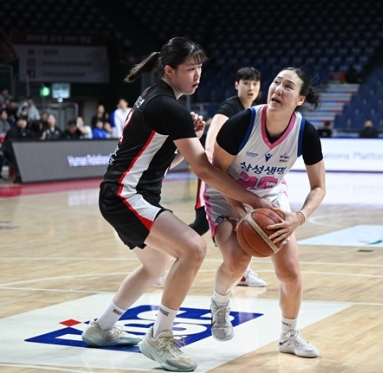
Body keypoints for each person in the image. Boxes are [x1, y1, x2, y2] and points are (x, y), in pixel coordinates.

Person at [81, 37, 272, 372]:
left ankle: (102, 327)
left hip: (121, 193)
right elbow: (204, 169)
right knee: (194, 249)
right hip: (126, 195)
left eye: (199, 67)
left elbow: (159, 162)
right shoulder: (168, 107)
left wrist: (187, 139)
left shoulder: (156, 98)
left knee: (154, 267)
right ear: (169, 70)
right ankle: (160, 336)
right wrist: (253, 199)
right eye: (189, 68)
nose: (197, 75)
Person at [205, 67, 326, 358]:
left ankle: (289, 336)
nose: (278, 89)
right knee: (237, 261)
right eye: (276, 83)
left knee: (290, 272)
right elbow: (215, 171)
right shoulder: (243, 122)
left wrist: (299, 217)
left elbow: (319, 187)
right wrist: (239, 208)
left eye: (288, 87)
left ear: (299, 99)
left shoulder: (305, 132)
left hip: (270, 198)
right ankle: (219, 302)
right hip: (225, 193)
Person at [189, 66, 266, 287]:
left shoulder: (252, 110)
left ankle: (242, 271)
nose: (250, 88)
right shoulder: (230, 107)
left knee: (241, 221)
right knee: (203, 222)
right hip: (216, 175)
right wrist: (212, 169)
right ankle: (163, 249)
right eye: (246, 83)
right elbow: (212, 137)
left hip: (235, 177)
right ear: (237, 85)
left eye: (254, 84)